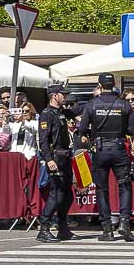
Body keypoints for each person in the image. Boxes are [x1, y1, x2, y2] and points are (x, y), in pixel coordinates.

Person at [77, 72, 134, 242]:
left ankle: (107, 229)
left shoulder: (91, 105)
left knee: (102, 189)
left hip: (100, 148)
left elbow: (82, 128)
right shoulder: (124, 104)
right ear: (113, 84)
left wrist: (93, 132)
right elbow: (132, 130)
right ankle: (125, 223)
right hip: (119, 148)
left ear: (99, 85)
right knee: (125, 186)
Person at [35, 85, 78, 242]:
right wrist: (49, 159)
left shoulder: (60, 112)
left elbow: (78, 111)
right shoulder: (46, 114)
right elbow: (43, 140)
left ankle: (63, 228)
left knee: (67, 195)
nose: (65, 97)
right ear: (54, 96)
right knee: (56, 194)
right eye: (62, 94)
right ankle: (44, 228)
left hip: (65, 156)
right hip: (55, 157)